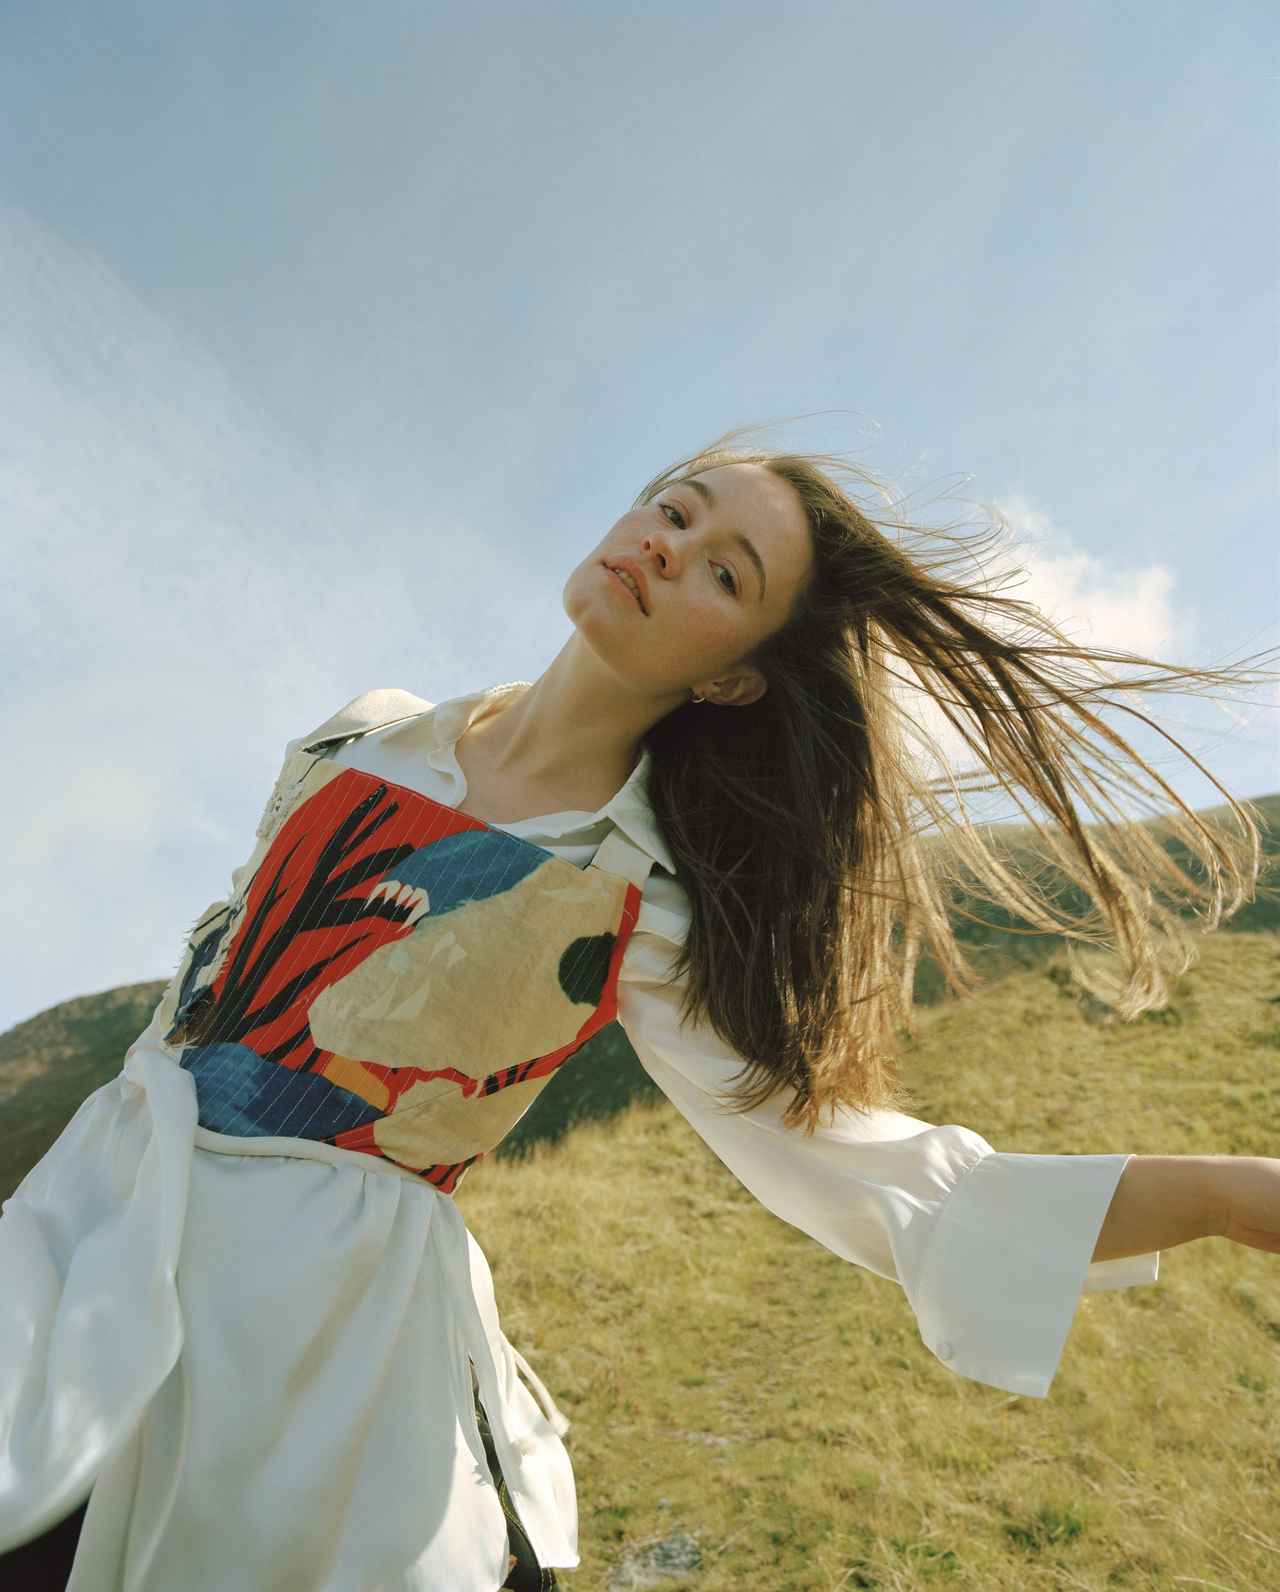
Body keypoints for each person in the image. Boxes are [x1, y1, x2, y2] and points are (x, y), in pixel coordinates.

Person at [2, 424, 1278, 1590]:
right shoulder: (369, 731)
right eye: (675, 509)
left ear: (733, 679)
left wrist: (1223, 1193)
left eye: (723, 572)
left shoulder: (634, 900)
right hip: (87, 1220)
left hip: (310, 1350)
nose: (667, 547)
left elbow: (894, 1183)